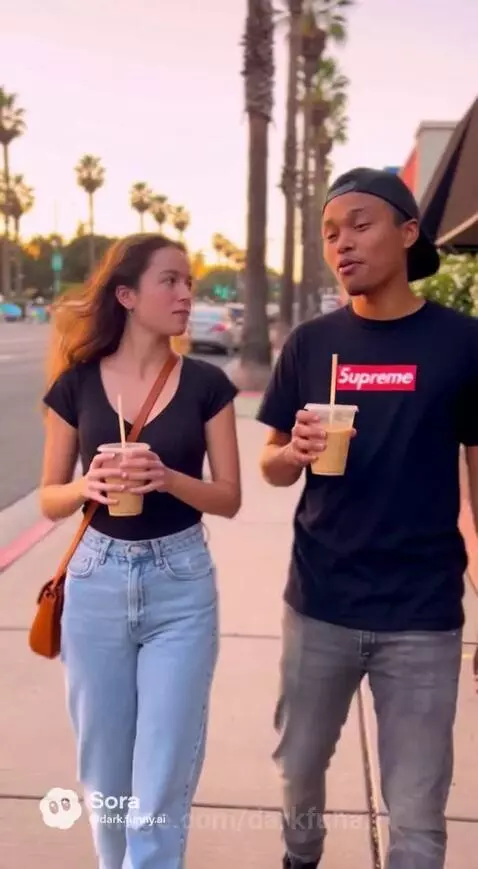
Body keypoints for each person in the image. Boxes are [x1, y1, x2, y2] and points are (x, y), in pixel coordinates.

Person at [256, 168, 478, 869]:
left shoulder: (462, 343)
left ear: (408, 232)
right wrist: (291, 450)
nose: (341, 242)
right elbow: (270, 462)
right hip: (320, 600)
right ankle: (303, 854)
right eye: (329, 233)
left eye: (359, 223)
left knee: (416, 809)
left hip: (423, 612)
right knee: (298, 769)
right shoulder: (311, 343)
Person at [39, 233, 241, 869]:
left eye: (189, 283)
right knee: (106, 776)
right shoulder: (75, 386)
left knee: (161, 775)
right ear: (127, 296)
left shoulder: (209, 384)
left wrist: (168, 478)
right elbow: (49, 496)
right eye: (171, 282)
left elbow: (229, 497)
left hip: (180, 584)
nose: (187, 294)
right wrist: (85, 486)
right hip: (96, 581)